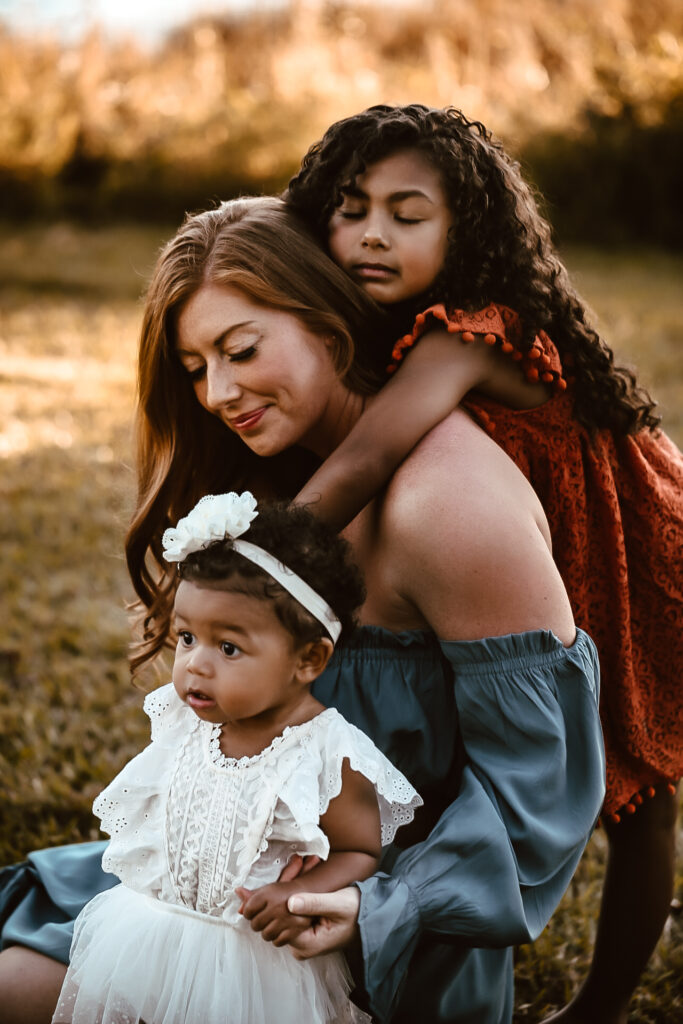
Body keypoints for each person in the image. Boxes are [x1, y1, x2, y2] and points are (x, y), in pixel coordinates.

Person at [0, 196, 605, 1024]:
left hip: (365, 927)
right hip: (217, 884)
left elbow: (536, 799)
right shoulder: (289, 477)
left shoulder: (447, 507)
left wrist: (372, 907)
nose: (217, 391)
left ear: (329, 324)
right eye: (194, 366)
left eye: (241, 350)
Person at [284, 104, 683, 1024]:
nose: (372, 234)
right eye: (351, 208)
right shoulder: (390, 327)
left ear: (467, 231)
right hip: (543, 552)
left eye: (407, 213)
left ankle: (599, 1010)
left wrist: (257, 562)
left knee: (640, 793)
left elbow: (366, 459)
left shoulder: (465, 330)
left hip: (628, 557)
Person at [51, 492, 421, 1024]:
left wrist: (299, 891)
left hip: (253, 966)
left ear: (308, 658)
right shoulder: (185, 720)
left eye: (227, 647)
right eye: (186, 637)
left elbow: (360, 849)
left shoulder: (325, 753)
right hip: (155, 933)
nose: (195, 665)